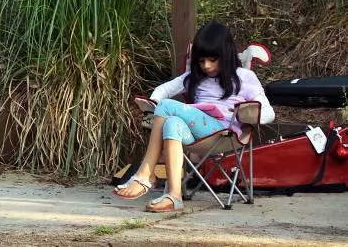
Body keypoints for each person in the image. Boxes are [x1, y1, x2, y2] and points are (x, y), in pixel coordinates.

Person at [112, 22, 275, 212]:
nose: (206, 66)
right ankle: (174, 196)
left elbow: (269, 113)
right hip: (197, 132)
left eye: (212, 60)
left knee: (166, 106)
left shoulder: (244, 76)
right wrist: (152, 105)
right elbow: (163, 89)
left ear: (226, 55)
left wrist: (244, 116)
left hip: (225, 132)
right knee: (172, 123)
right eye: (201, 60)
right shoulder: (194, 77)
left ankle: (146, 173)